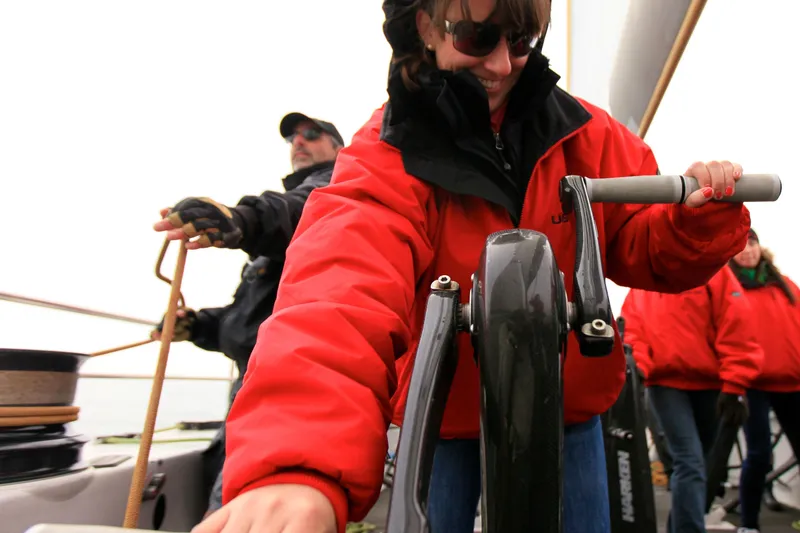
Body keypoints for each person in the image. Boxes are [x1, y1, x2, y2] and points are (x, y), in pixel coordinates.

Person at [195, 1, 755, 532]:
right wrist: (297, 465)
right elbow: (341, 284)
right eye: (477, 36)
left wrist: (696, 221)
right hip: (446, 417)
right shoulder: (387, 153)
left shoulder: (591, 134)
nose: (501, 63)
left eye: (520, 39)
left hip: (568, 409)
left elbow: (638, 242)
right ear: (426, 27)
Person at [151, 111, 344, 516]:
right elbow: (248, 317)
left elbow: (297, 212)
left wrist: (242, 219)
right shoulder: (295, 212)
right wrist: (198, 325)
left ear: (338, 146)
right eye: (292, 138)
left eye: (312, 133)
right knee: (225, 497)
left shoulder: (336, 187)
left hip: (284, 387)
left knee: (233, 509)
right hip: (251, 385)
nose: (299, 142)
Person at [620, 265, 763, 533]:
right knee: (690, 462)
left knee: (697, 466)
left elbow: (735, 323)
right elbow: (634, 329)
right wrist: (638, 368)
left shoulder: (715, 273)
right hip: (665, 385)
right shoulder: (642, 284)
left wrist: (735, 385)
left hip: (711, 385)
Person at [729, 229, 800, 533]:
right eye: (740, 245)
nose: (747, 250)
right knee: (758, 455)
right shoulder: (727, 286)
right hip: (751, 383)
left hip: (791, 381)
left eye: (752, 243)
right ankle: (749, 524)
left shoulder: (784, 285)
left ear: (760, 246)